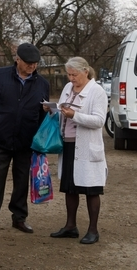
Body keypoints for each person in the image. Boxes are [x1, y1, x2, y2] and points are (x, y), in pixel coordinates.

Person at [0, 43, 50, 234]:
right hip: (0, 138)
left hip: (26, 140)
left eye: (35, 63)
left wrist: (38, 134)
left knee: (22, 180)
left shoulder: (42, 83)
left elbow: (43, 111)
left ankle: (19, 218)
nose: (32, 66)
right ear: (17, 59)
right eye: (28, 63)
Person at [49, 57, 108, 244]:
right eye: (69, 74)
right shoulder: (68, 88)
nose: (71, 78)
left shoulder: (97, 92)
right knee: (69, 187)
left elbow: (99, 121)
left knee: (91, 188)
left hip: (86, 146)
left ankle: (93, 230)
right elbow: (62, 109)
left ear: (86, 72)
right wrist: (52, 110)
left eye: (74, 74)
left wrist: (75, 115)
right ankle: (70, 226)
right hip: (67, 144)